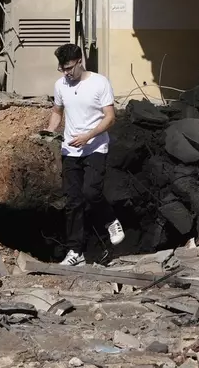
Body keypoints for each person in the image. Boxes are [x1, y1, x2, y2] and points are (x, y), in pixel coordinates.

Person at [45, 43, 125, 266]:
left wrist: (89, 136)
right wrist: (49, 132)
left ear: (80, 61)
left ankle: (110, 221)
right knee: (72, 201)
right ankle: (75, 252)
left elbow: (110, 117)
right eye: (62, 69)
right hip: (70, 149)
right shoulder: (60, 85)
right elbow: (56, 112)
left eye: (69, 68)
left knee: (91, 192)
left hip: (95, 147)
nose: (66, 73)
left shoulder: (99, 83)